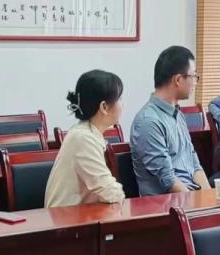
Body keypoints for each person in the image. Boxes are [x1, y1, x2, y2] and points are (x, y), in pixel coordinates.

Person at [130, 46, 211, 195]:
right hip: (168, 203)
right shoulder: (149, 122)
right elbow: (168, 180)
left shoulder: (178, 115)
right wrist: (199, 204)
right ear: (178, 80)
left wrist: (209, 197)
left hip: (191, 196)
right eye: (193, 76)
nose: (195, 82)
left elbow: (194, 163)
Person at [45, 70, 126, 207]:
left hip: (83, 214)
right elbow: (111, 193)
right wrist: (120, 193)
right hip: (67, 218)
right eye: (119, 99)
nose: (123, 105)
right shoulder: (83, 138)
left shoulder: (87, 133)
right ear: (104, 107)